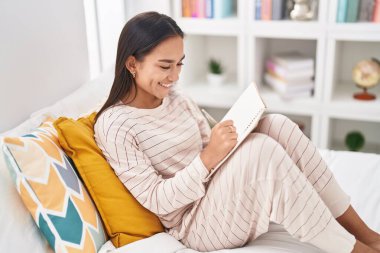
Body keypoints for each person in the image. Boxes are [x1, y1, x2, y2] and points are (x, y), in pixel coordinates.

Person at [93, 11, 380, 253]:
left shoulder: (174, 98)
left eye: (180, 63)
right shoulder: (115, 125)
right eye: (165, 66)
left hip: (216, 190)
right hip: (192, 224)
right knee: (261, 152)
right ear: (132, 64)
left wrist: (236, 132)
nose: (175, 76)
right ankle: (355, 249)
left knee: (275, 125)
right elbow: (157, 200)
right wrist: (207, 158)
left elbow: (208, 145)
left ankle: (367, 235)